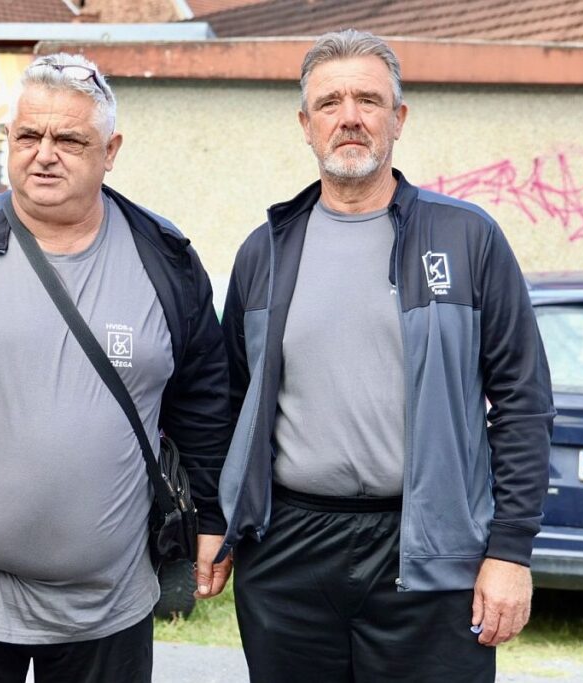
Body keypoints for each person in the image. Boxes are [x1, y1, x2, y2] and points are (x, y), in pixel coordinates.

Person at [0, 53, 233, 683]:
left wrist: (211, 515)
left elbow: (203, 397)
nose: (44, 155)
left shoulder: (164, 258)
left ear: (110, 150)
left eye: (69, 139)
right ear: (7, 140)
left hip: (108, 608)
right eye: (28, 136)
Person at [218, 29, 555, 683]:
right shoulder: (266, 251)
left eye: (368, 100)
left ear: (398, 118)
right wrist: (221, 520)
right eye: (330, 102)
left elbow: (523, 402)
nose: (349, 117)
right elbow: (229, 401)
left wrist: (511, 551)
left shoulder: (468, 238)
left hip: (432, 551)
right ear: (306, 125)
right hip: (288, 553)